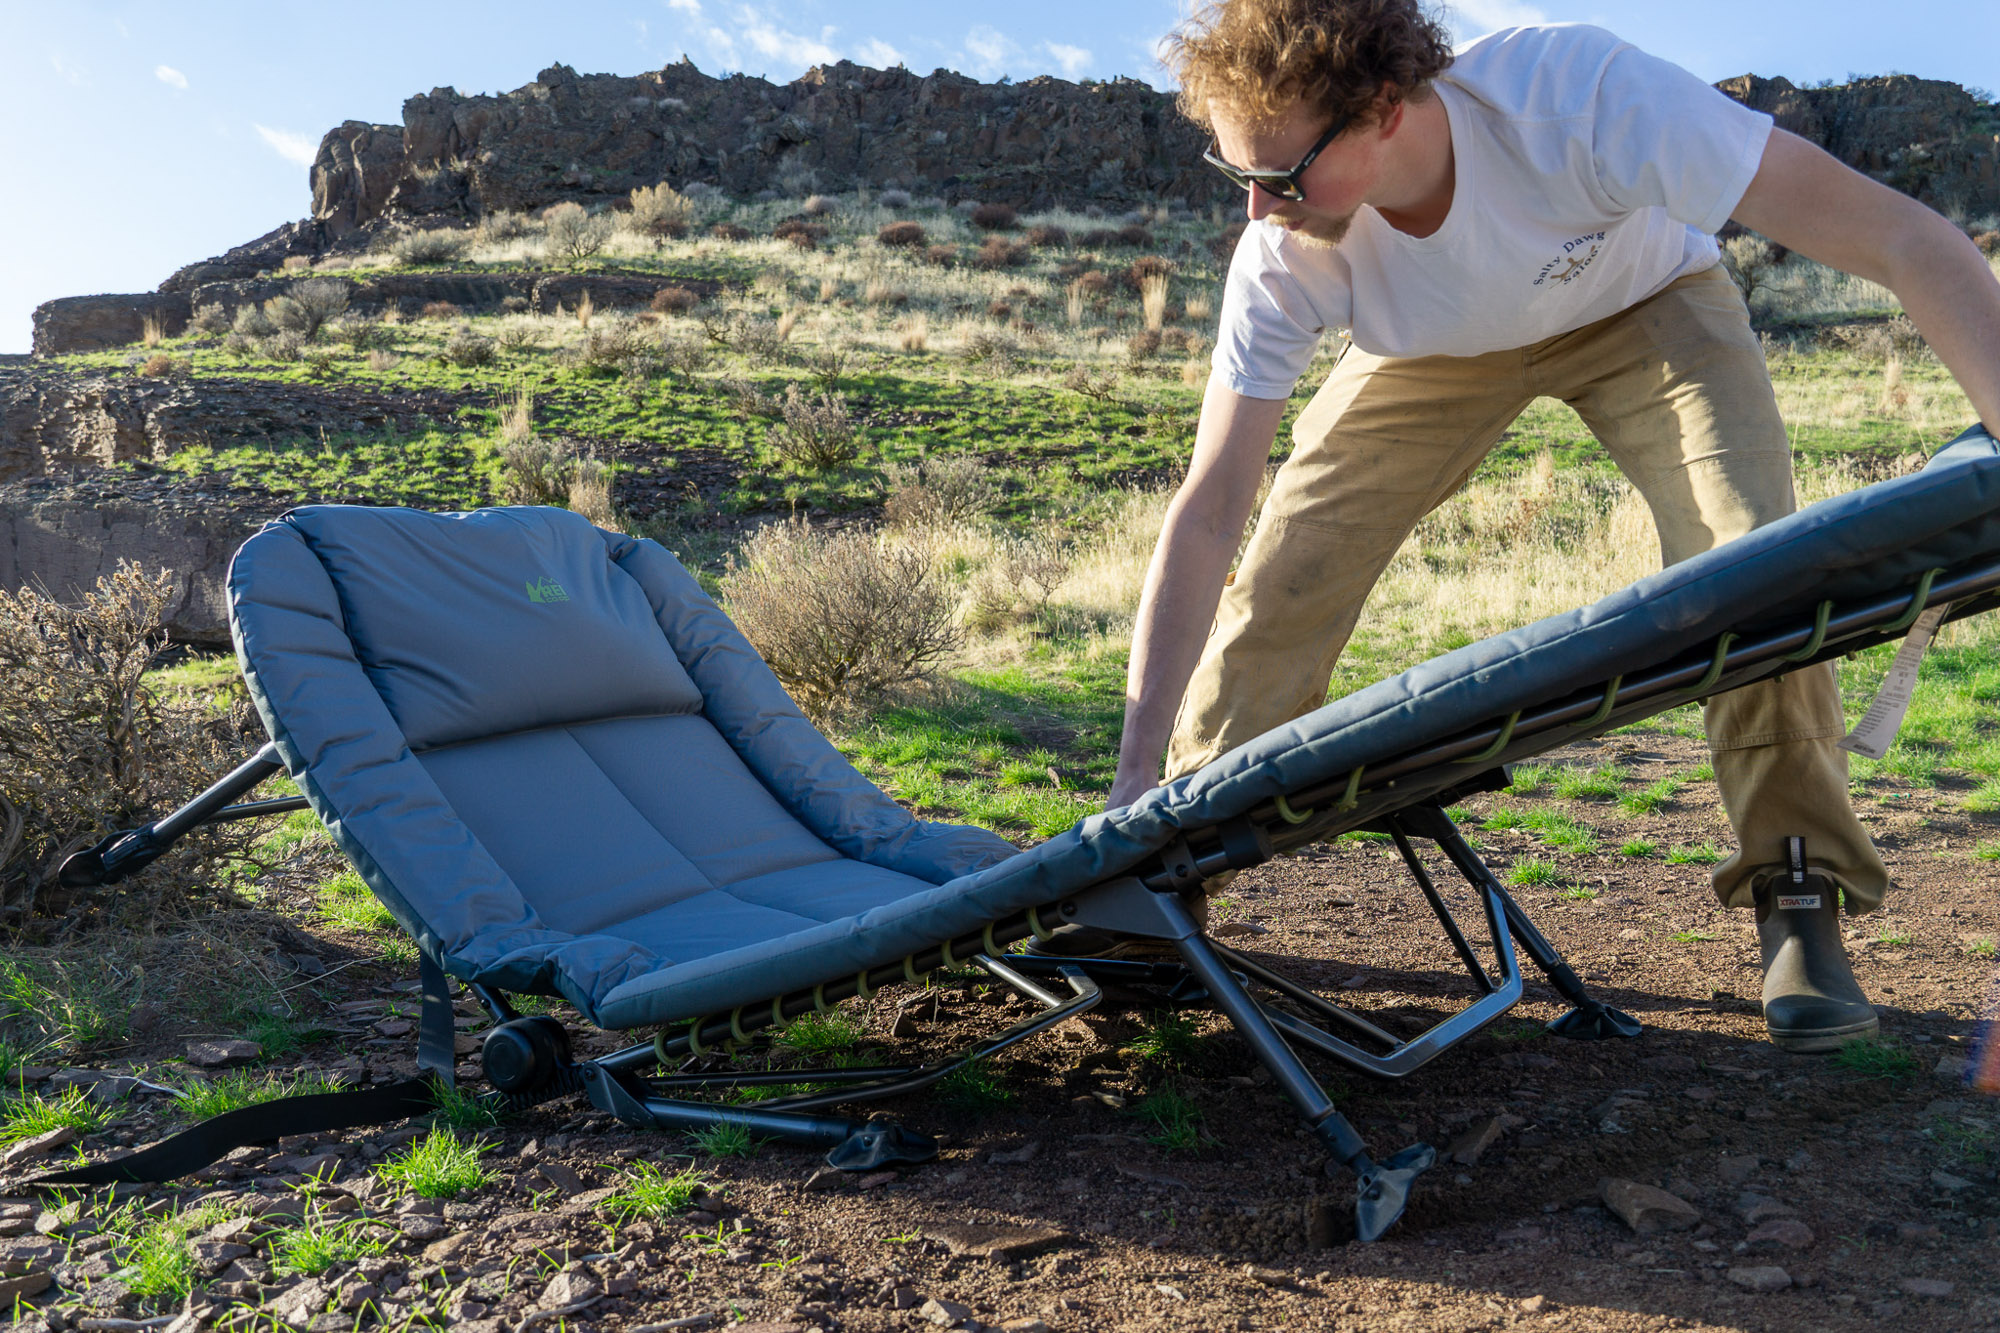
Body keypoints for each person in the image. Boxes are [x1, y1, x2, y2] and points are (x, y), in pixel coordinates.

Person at [1100, 0, 2000, 1050]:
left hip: (1647, 302)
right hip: (1422, 354)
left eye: (1283, 177)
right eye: (1236, 175)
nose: (1256, 210)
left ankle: (1796, 892)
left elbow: (1903, 238)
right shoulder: (1287, 249)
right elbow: (1210, 509)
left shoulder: (1574, 97)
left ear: (1384, 109)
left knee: (1753, 552)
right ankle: (1168, 870)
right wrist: (1129, 784)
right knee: (1284, 574)